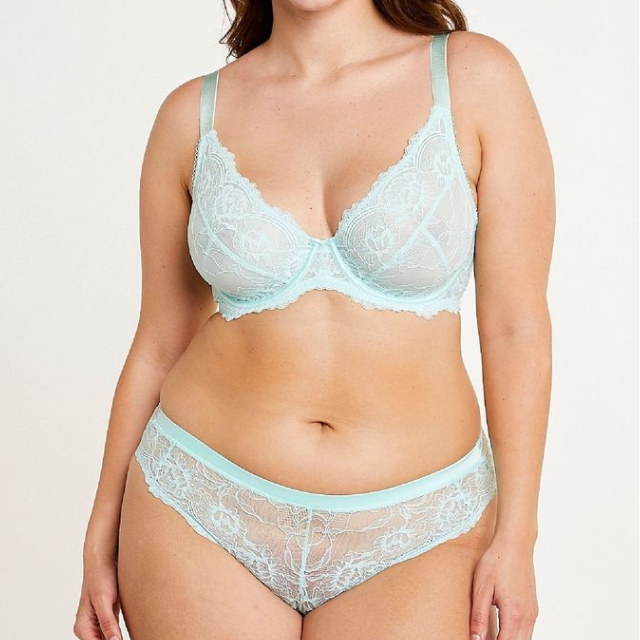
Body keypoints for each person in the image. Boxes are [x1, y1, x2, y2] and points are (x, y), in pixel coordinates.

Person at [74, 1, 555, 639]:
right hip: (198, 503)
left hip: (422, 528)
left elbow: (516, 328)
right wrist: (100, 531)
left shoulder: (473, 78)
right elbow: (159, 343)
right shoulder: (191, 114)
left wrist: (518, 536)